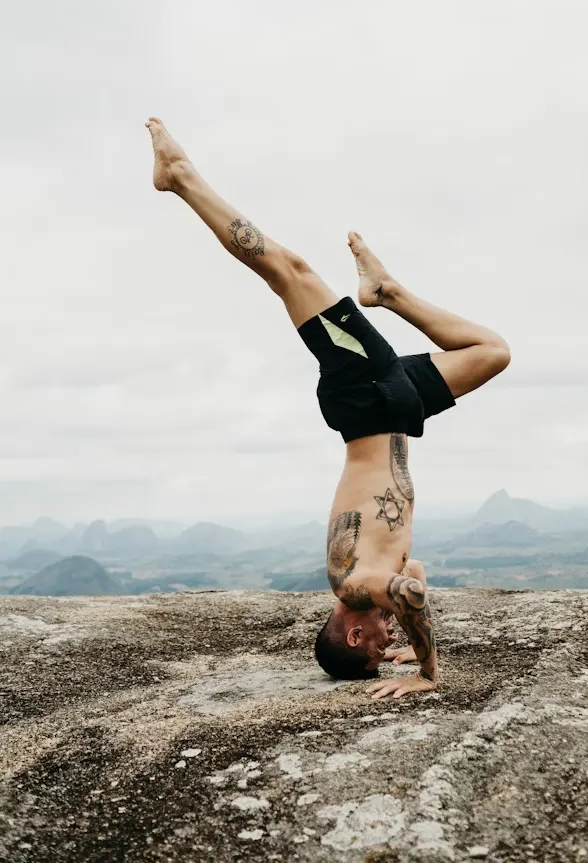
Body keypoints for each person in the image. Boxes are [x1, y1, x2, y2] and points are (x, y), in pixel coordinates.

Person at [146, 117, 510, 700]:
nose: (386, 637)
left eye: (375, 646)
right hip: (394, 409)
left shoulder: (355, 582)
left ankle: (182, 178)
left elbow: (408, 597)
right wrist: (403, 642)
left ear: (357, 632)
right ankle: (386, 293)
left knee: (291, 273)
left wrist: (425, 671)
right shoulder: (367, 584)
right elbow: (412, 579)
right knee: (491, 353)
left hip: (365, 398)